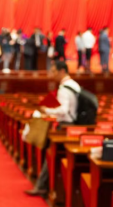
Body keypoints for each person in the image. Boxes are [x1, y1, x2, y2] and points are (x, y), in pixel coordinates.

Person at [25, 61, 80, 196]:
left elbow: (63, 110)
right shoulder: (75, 85)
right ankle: (45, 186)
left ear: (62, 71)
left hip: (65, 126)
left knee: (51, 154)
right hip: (74, 125)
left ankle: (41, 186)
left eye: (54, 71)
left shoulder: (64, 88)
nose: (52, 74)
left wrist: (47, 110)